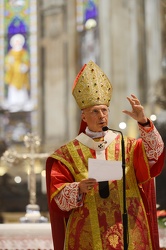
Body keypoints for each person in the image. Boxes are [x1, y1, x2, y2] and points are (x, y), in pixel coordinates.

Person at [46, 60, 165, 250]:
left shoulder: (127, 145)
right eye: (95, 111)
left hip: (130, 230)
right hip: (88, 235)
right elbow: (58, 198)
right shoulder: (67, 154)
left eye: (104, 110)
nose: (102, 115)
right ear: (84, 116)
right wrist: (78, 188)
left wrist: (143, 121)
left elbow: (156, 153)